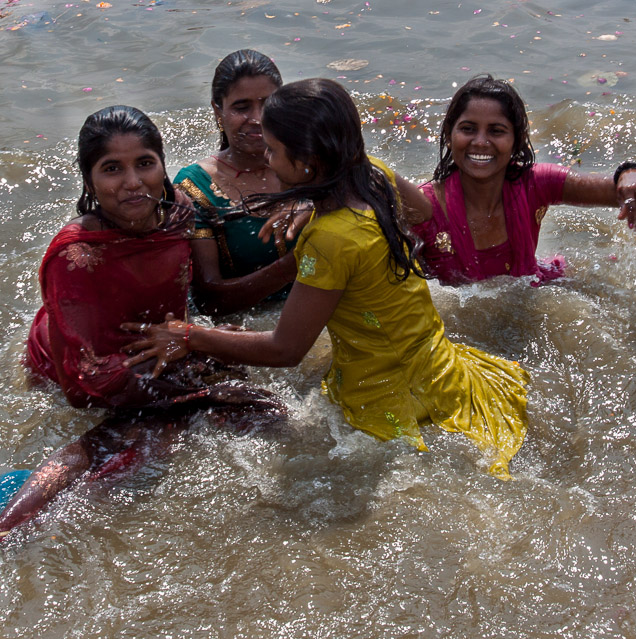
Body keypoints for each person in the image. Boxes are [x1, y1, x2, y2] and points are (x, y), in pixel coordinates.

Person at [125, 78, 532, 480]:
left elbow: (286, 349)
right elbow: (424, 211)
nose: (267, 159)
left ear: (306, 162)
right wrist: (312, 201)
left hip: (384, 394)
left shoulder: (329, 239)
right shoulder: (373, 178)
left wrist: (188, 336)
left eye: (274, 150)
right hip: (437, 367)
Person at [0, 106, 283, 538]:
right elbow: (81, 385)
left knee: (264, 414)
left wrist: (193, 341)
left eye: (145, 164)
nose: (133, 183)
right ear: (90, 180)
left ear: (163, 166)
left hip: (161, 347)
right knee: (152, 434)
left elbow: (176, 303)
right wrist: (195, 363)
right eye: (112, 169)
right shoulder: (76, 256)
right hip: (79, 366)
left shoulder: (179, 215)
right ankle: (13, 529)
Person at [411, 75, 636, 286]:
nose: (480, 142)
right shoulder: (421, 208)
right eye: (468, 129)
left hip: (534, 287)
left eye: (496, 131)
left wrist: (632, 172)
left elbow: (616, 191)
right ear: (448, 135)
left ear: (516, 140)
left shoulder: (533, 184)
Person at [173, 49, 299, 316]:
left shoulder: (311, 161)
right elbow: (209, 298)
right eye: (242, 107)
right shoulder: (195, 186)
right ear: (218, 111)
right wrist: (294, 265)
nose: (257, 118)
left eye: (268, 103)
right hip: (253, 325)